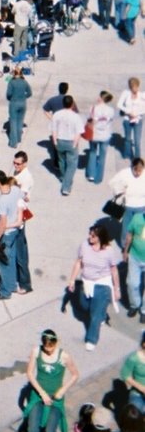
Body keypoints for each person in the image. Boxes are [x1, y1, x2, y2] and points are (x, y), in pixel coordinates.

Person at [23, 329, 79, 432]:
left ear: (56, 343)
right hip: (38, 395)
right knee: (32, 429)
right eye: (46, 347)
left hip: (55, 397)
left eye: (51, 347)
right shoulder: (36, 351)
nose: (48, 350)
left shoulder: (64, 356)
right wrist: (41, 393)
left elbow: (75, 374)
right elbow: (29, 373)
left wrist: (62, 391)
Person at [67, 222, 122, 350]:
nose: (90, 238)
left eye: (93, 236)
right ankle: (102, 313)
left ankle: (91, 339)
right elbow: (78, 263)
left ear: (100, 238)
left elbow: (114, 270)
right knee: (85, 305)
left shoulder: (109, 251)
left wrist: (116, 289)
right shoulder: (84, 245)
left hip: (102, 284)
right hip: (87, 282)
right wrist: (72, 280)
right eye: (90, 235)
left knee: (95, 315)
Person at [0, 170, 29, 301]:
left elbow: (2, 223)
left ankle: (5, 291)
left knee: (4, 262)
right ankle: (13, 285)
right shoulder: (15, 190)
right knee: (11, 258)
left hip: (6, 233)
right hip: (16, 231)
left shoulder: (2, 200)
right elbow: (24, 199)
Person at [51, 94, 85, 196]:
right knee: (72, 165)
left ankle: (63, 177)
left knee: (61, 160)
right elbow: (79, 132)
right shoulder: (76, 116)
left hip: (60, 140)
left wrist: (55, 141)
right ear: (72, 104)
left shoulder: (57, 114)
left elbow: (53, 129)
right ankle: (66, 187)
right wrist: (75, 143)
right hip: (71, 142)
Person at [111, 158, 145, 247]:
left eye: (140, 171)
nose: (138, 173)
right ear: (132, 167)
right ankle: (124, 246)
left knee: (139, 227)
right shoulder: (125, 173)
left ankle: (136, 245)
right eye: (135, 170)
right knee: (126, 227)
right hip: (128, 205)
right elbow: (113, 183)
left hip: (141, 206)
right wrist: (121, 190)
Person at [85, 91, 116, 184]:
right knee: (102, 157)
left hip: (94, 135)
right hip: (105, 136)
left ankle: (91, 175)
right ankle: (98, 178)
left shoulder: (93, 108)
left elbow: (89, 119)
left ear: (101, 98)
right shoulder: (111, 110)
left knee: (92, 153)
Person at [6, 65, 32, 149]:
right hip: (23, 103)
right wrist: (24, 96)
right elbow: (29, 93)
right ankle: (19, 138)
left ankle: (13, 142)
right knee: (20, 121)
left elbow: (8, 94)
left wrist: (11, 98)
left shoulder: (12, 82)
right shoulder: (24, 82)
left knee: (13, 122)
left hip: (14, 103)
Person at [118, 78, 145, 160]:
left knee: (137, 141)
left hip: (138, 120)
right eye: (133, 87)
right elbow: (119, 104)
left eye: (136, 87)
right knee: (128, 139)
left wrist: (137, 114)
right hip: (127, 120)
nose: (135, 89)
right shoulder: (125, 94)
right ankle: (127, 154)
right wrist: (128, 112)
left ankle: (137, 158)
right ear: (130, 87)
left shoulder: (142, 95)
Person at [121, 332, 145, 412]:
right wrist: (142, 388)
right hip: (138, 393)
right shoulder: (134, 358)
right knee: (135, 412)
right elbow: (125, 375)